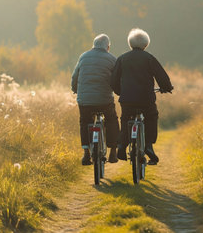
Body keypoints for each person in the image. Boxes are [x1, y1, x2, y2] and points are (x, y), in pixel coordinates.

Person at [111, 28, 173, 165]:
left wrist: (120, 92)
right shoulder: (149, 58)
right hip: (146, 99)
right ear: (146, 44)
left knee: (126, 119)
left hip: (127, 100)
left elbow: (114, 80)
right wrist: (167, 88)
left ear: (130, 44)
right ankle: (149, 146)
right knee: (151, 117)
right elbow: (161, 76)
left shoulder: (122, 59)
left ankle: (121, 145)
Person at [71, 34, 121, 165]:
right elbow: (117, 78)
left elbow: (75, 76)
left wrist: (75, 89)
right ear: (108, 47)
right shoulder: (112, 59)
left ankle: (86, 154)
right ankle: (113, 152)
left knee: (85, 121)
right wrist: (118, 90)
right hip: (105, 100)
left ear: (93, 45)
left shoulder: (83, 56)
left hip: (85, 100)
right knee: (111, 120)